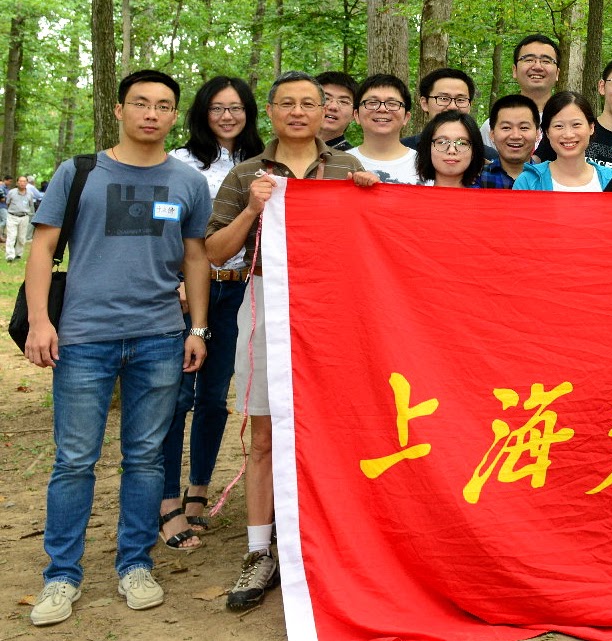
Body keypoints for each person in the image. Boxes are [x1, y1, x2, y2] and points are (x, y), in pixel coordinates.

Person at [23, 70, 214, 626]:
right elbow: (43, 247)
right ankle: (60, 576)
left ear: (175, 115)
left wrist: (197, 329)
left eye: (163, 105)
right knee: (75, 460)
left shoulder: (187, 181)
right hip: (84, 337)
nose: (151, 113)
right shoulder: (79, 172)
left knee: (146, 458)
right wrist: (40, 321)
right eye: (140, 103)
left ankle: (135, 563)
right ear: (118, 109)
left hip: (159, 337)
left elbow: (196, 257)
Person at [205, 71, 377, 613]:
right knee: (264, 433)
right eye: (287, 104)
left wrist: (371, 198)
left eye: (310, 103)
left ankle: (338, 545)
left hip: (335, 313)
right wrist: (256, 208)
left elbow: (374, 243)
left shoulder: (347, 167)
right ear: (272, 113)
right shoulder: (248, 172)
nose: (298, 112)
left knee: (340, 429)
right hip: (266, 306)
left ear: (328, 112)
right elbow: (213, 251)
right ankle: (261, 550)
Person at [159, 76, 264, 552]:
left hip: (240, 291)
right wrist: (176, 279)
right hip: (185, 293)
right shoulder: (178, 163)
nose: (227, 116)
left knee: (214, 396)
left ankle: (198, 491)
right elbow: (167, 230)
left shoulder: (261, 161)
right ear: (202, 113)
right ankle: (165, 501)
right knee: (176, 396)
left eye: (236, 108)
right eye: (217, 108)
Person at [515, 92, 612, 191]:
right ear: (547, 132)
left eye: (576, 124)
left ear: (591, 127)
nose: (568, 135)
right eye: (559, 126)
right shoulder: (528, 182)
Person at [351, 74, 420, 184]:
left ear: (406, 118)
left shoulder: (426, 165)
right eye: (372, 103)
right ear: (356, 115)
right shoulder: (339, 163)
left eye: (392, 103)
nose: (382, 109)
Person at [478, 94, 540, 189]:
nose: (515, 136)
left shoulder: (549, 180)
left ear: (537, 134)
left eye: (524, 127)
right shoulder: (476, 179)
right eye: (506, 127)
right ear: (492, 134)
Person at [405, 67, 476, 148]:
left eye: (460, 100)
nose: (452, 106)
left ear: (470, 105)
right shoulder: (401, 152)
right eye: (443, 99)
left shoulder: (487, 156)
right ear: (425, 104)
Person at [416, 110, 485, 187]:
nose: (451, 150)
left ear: (474, 151)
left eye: (462, 143)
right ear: (428, 148)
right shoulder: (411, 196)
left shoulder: (487, 197)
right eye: (442, 142)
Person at [513, 33, 561, 117]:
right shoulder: (494, 125)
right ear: (515, 70)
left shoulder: (573, 122)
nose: (537, 67)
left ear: (557, 73)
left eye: (546, 61)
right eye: (529, 60)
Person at [315, 71, 358, 151]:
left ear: (354, 115)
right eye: (326, 98)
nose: (333, 107)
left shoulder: (353, 160)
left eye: (344, 101)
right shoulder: (287, 148)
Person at [6, 173, 38, 260]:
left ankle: (18, 254)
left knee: (21, 237)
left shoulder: (30, 194)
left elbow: (30, 205)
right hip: (12, 216)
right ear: (17, 183)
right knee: (11, 236)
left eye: (24, 181)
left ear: (27, 183)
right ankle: (10, 255)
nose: (22, 183)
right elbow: (7, 203)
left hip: (24, 217)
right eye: (20, 181)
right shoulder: (11, 192)